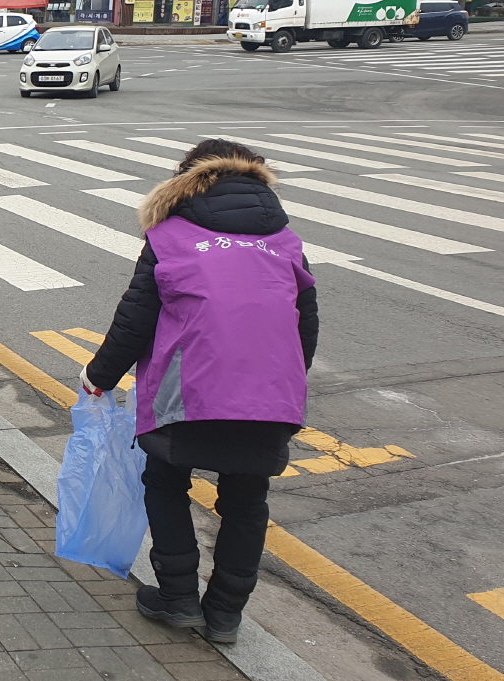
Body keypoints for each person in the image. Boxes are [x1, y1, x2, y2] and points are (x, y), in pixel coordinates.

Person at [81, 139, 319, 644]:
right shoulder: (284, 241)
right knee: (247, 500)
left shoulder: (169, 236)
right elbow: (306, 327)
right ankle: (226, 615)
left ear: (186, 182)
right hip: (270, 397)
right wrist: (286, 386)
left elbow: (135, 319)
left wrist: (99, 376)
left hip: (187, 395)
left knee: (166, 484)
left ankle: (178, 598)